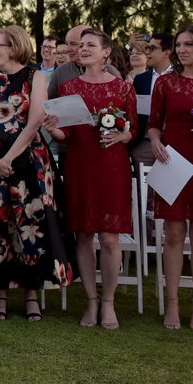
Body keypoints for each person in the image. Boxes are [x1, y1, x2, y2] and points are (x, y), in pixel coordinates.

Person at [0, 25, 72, 321]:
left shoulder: (36, 77)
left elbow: (35, 120)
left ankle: (31, 293)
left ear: (14, 46)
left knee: (30, 226)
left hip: (28, 160)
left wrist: (8, 157)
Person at [45, 28, 136, 330]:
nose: (83, 49)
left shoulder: (123, 89)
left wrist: (123, 136)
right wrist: (51, 127)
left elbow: (133, 130)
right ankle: (90, 300)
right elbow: (65, 135)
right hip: (79, 164)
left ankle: (108, 302)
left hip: (112, 166)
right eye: (81, 45)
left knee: (110, 238)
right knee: (83, 234)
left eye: (90, 45)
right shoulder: (68, 86)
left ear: (106, 51)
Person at [147, 23, 193, 331]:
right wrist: (156, 141)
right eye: (178, 44)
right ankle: (172, 304)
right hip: (173, 161)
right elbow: (154, 123)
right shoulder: (166, 83)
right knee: (172, 234)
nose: (182, 49)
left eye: (188, 44)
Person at [131, 32, 174, 165]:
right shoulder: (141, 79)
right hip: (145, 143)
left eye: (152, 48)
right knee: (145, 185)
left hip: (174, 142)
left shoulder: (180, 77)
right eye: (147, 48)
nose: (147, 52)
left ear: (167, 52)